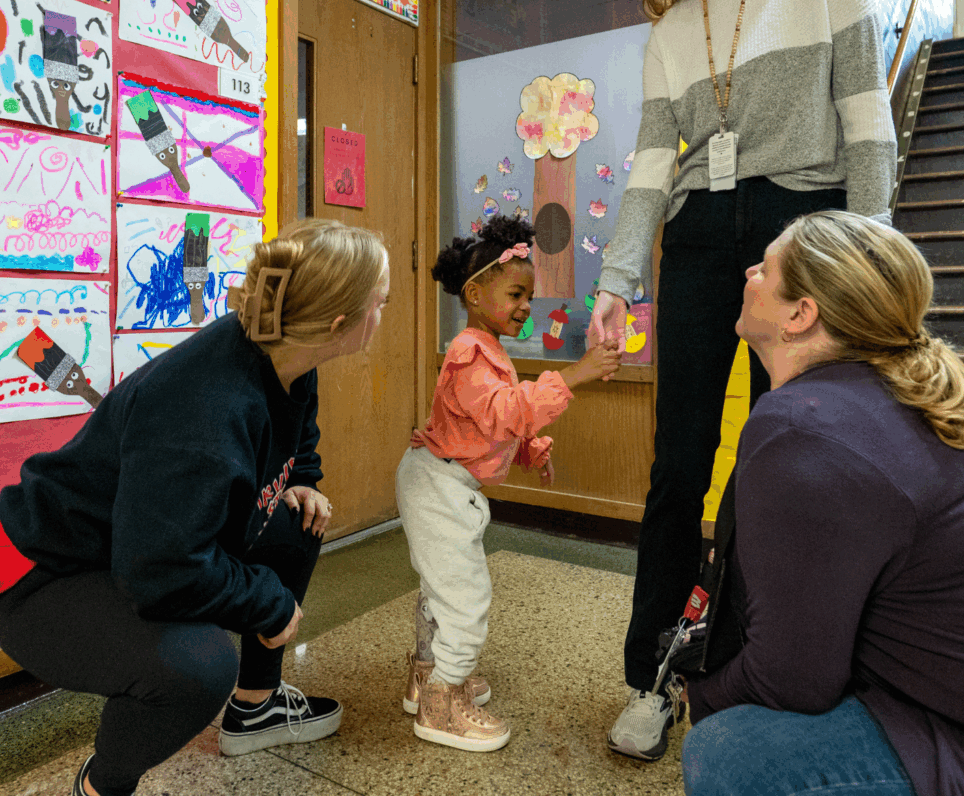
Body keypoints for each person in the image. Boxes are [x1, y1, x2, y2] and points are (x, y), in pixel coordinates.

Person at [587, 0, 898, 760]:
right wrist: (614, 280)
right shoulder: (671, 32)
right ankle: (653, 674)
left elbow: (866, 113)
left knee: (778, 460)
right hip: (696, 236)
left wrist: (870, 248)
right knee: (676, 463)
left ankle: (750, 667)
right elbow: (651, 164)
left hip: (801, 226)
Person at [0, 219, 390, 796]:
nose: (383, 313)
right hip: (39, 569)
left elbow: (294, 433)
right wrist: (267, 603)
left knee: (298, 522)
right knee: (197, 669)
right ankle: (100, 785)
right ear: (340, 325)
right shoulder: (203, 411)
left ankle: (257, 709)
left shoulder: (286, 352)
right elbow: (159, 571)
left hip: (130, 540)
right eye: (380, 302)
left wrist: (302, 479)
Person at [678, 209, 964, 795]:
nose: (749, 272)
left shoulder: (802, 428)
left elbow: (792, 680)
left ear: (800, 313)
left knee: (731, 754)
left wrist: (700, 694)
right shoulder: (881, 398)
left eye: (765, 267)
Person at [397, 215, 621, 752]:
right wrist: (573, 375)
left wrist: (533, 449)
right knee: (467, 598)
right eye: (516, 293)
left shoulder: (489, 350)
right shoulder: (469, 353)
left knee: (442, 589)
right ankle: (443, 704)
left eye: (530, 295)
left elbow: (489, 427)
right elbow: (502, 414)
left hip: (445, 483)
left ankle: (427, 675)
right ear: (474, 294)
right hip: (439, 487)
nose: (526, 306)